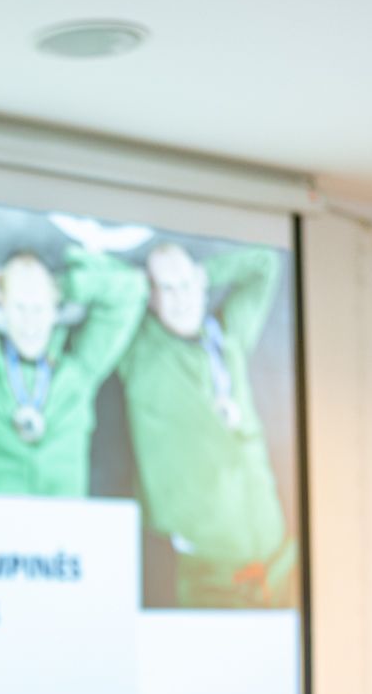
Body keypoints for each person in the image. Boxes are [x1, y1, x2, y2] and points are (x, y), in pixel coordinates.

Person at [117, 242, 295, 606]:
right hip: (210, 572)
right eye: (167, 288)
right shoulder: (141, 352)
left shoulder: (226, 336)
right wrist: (137, 285)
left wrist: (204, 275)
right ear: (151, 298)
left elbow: (263, 264)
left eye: (186, 285)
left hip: (276, 560)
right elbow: (106, 291)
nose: (181, 298)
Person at [0, 246, 146, 496]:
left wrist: (67, 285)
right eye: (19, 307)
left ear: (54, 307)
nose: (30, 322)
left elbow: (131, 289)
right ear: (1, 304)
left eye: (39, 307)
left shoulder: (79, 366)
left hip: (62, 527)